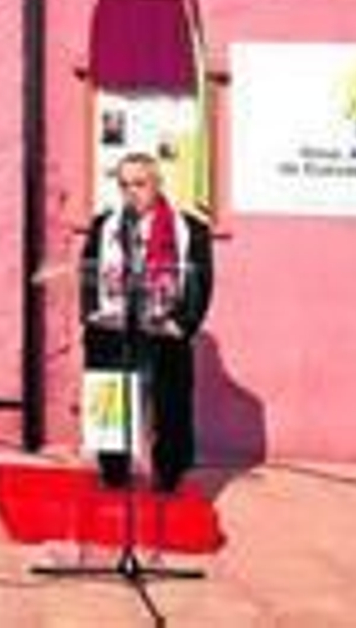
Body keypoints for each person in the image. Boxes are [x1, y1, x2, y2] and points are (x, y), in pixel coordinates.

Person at [79, 152, 213, 494]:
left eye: (139, 184)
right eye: (123, 185)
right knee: (112, 404)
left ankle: (168, 478)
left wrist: (182, 324)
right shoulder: (105, 226)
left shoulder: (190, 229)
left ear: (157, 184)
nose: (131, 192)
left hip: (163, 329)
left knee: (171, 407)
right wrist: (93, 314)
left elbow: (202, 283)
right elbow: (88, 276)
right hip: (113, 330)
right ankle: (114, 477)